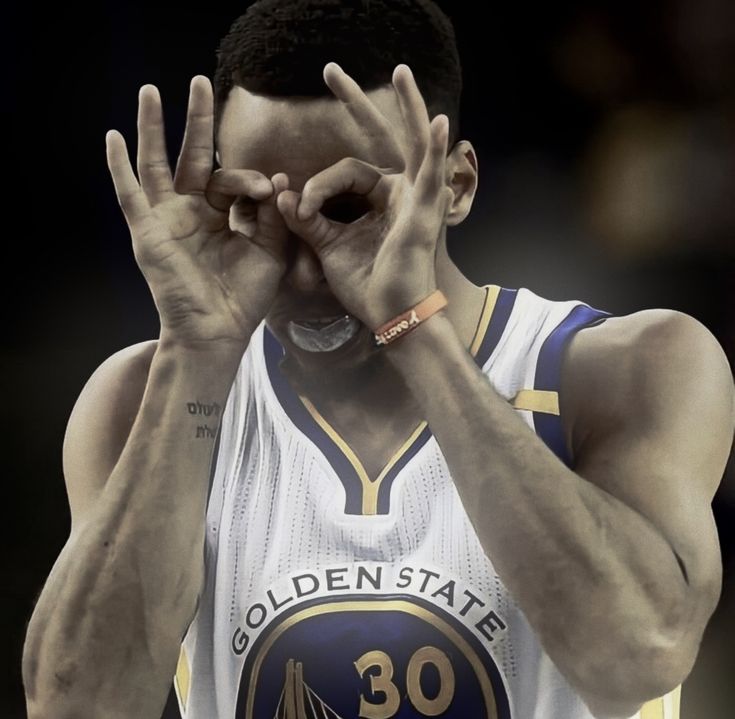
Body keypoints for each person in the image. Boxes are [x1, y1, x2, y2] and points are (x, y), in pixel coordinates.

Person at [22, 1, 734, 718]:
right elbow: (76, 707)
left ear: (454, 184)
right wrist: (196, 350)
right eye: (258, 215)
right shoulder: (144, 396)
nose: (303, 273)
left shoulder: (620, 369)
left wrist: (413, 323)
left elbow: (634, 656)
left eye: (345, 209)